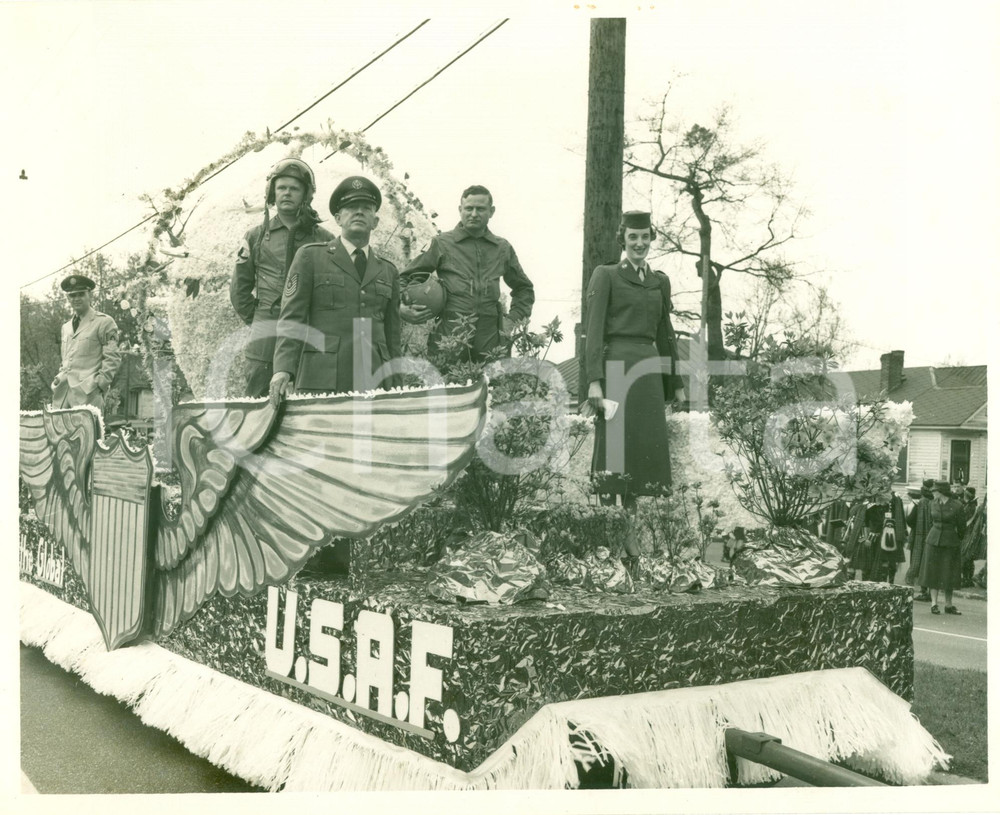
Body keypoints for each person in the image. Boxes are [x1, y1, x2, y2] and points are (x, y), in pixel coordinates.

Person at [583, 211, 682, 564]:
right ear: (622, 239)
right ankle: (611, 538)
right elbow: (593, 331)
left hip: (648, 373)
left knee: (639, 458)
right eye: (632, 237)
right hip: (615, 368)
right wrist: (593, 381)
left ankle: (630, 536)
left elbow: (665, 333)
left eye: (645, 237)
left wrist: (677, 383)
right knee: (614, 454)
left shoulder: (659, 281)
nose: (639, 243)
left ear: (652, 238)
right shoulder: (607, 275)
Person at [270, 175, 401, 402]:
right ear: (338, 218)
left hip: (376, 383)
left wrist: (397, 384)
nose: (359, 212)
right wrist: (283, 369)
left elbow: (393, 337)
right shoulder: (311, 257)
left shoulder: (388, 271)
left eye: (366, 208)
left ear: (375, 221)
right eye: (351, 207)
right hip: (322, 379)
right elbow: (292, 318)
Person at [230, 157, 335, 396]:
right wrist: (261, 319)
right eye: (282, 188)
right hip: (266, 336)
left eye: (294, 188)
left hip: (309, 332)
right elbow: (240, 291)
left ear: (306, 195)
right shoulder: (255, 236)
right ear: (272, 192)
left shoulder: (325, 239)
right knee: (257, 404)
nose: (287, 193)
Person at [399, 184, 534, 362]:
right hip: (450, 334)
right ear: (460, 209)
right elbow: (405, 278)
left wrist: (512, 321)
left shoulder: (502, 248)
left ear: (491, 211)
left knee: (491, 386)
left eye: (481, 209)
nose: (474, 214)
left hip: (491, 337)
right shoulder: (442, 243)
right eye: (469, 208)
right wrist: (402, 308)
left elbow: (524, 288)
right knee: (446, 387)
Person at [50, 274, 123, 412]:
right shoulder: (65, 327)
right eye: (72, 295)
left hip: (88, 395)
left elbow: (112, 358)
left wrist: (99, 384)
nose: (76, 299)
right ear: (68, 298)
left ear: (90, 295)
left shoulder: (104, 322)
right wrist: (58, 378)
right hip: (62, 394)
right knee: (59, 432)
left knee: (88, 433)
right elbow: (66, 360)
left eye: (81, 294)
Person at [917, 481, 967, 614]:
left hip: (950, 542)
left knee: (948, 573)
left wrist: (956, 538)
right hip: (933, 541)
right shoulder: (931, 504)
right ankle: (934, 604)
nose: (933, 493)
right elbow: (929, 522)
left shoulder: (957, 506)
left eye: (935, 491)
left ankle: (948, 605)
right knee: (933, 572)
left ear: (942, 492)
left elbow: (962, 527)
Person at [844, 492, 907, 582]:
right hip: (868, 539)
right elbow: (867, 525)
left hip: (878, 539)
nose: (885, 503)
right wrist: (868, 538)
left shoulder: (879, 507)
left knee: (877, 564)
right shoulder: (870, 508)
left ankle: (876, 583)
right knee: (866, 565)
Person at [905, 478, 936, 601]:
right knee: (928, 562)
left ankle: (924, 591)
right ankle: (928, 591)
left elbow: (910, 520)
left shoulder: (921, 502)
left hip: (919, 537)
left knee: (918, 561)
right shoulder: (934, 501)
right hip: (932, 536)